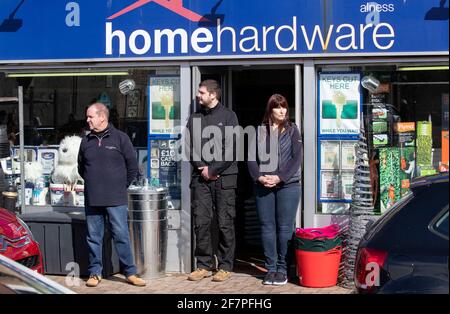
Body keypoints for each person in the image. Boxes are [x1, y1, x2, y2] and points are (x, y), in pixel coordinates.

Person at [77, 102, 146, 287]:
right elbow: (81, 168)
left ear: (102, 117)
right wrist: (94, 184)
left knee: (121, 235)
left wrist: (120, 186)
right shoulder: (86, 141)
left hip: (116, 198)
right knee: (93, 237)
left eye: (91, 116)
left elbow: (133, 167)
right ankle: (95, 273)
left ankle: (130, 272)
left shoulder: (120, 139)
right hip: (93, 199)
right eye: (88, 117)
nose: (88, 120)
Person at [186, 79, 239, 282]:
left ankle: (225, 266)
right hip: (201, 178)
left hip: (224, 178)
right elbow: (190, 146)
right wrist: (203, 168)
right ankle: (203, 265)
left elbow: (232, 148)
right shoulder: (195, 118)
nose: (198, 96)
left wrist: (214, 169)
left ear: (213, 95)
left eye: (201, 92)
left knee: (225, 222)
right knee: (202, 222)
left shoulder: (229, 116)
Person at [247, 94, 302, 286]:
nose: (282, 111)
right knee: (267, 227)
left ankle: (283, 268)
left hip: (288, 185)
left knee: (285, 227)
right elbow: (251, 159)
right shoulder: (259, 131)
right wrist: (260, 177)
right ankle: (270, 268)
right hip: (263, 185)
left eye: (284, 107)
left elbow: (297, 159)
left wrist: (280, 177)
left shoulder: (293, 130)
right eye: (278, 107)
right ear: (270, 110)